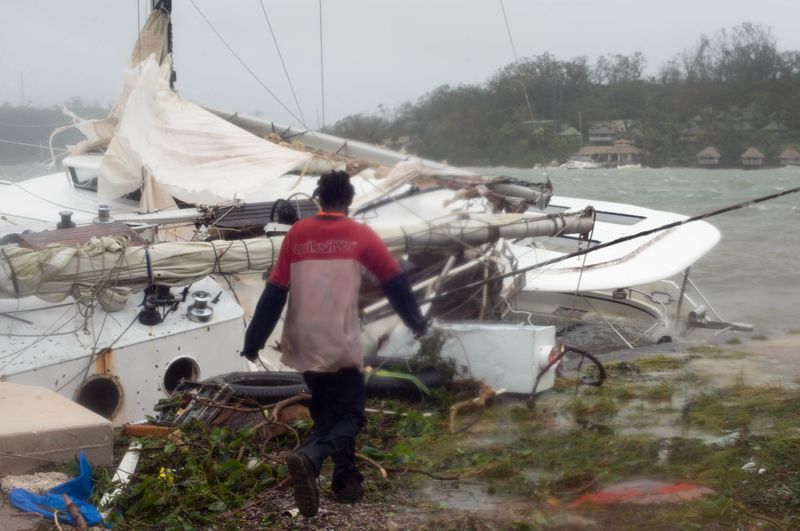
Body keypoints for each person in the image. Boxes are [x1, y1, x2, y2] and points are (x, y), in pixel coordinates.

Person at [241, 170, 427, 517]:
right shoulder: (360, 235)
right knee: (352, 416)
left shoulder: (298, 233)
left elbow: (275, 291)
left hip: (302, 341)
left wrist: (254, 341)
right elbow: (395, 283)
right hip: (339, 340)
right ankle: (310, 457)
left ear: (319, 199)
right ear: (349, 200)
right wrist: (416, 323)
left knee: (328, 411)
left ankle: (345, 482)